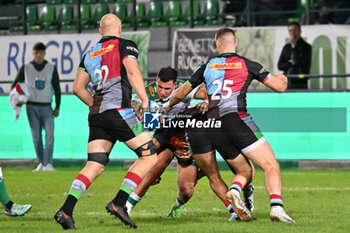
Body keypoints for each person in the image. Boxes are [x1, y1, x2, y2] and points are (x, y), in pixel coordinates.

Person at [167, 27, 295, 223]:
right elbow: (278, 87)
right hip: (236, 119)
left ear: (218, 44)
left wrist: (168, 106)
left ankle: (235, 192)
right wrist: (283, 80)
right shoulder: (247, 64)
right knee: (270, 165)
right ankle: (276, 208)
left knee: (244, 170)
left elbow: (181, 92)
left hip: (214, 125)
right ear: (235, 43)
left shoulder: (207, 66)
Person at [54, 14, 158, 229]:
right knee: (149, 155)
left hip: (97, 115)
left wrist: (97, 106)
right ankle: (119, 202)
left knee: (94, 164)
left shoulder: (89, 53)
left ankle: (66, 210)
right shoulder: (125, 45)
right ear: (120, 29)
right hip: (119, 110)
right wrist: (145, 99)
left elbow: (77, 88)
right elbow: (132, 71)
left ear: (100, 31)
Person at [11, 42, 61, 172]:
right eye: (36, 52)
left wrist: (57, 106)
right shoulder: (26, 68)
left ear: (44, 53)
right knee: (36, 136)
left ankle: (48, 163)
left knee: (50, 135)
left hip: (47, 106)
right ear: (33, 53)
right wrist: (20, 97)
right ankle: (40, 163)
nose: (38, 55)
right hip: (31, 106)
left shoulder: (51, 68)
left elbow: (57, 87)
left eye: (41, 53)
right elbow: (15, 85)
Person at [278, 22, 312, 89]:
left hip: (301, 82)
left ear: (300, 31)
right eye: (291, 31)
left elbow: (300, 62)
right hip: (287, 82)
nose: (293, 33)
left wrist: (294, 47)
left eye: (295, 30)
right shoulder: (286, 47)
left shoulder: (306, 47)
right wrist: (291, 63)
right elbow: (280, 65)